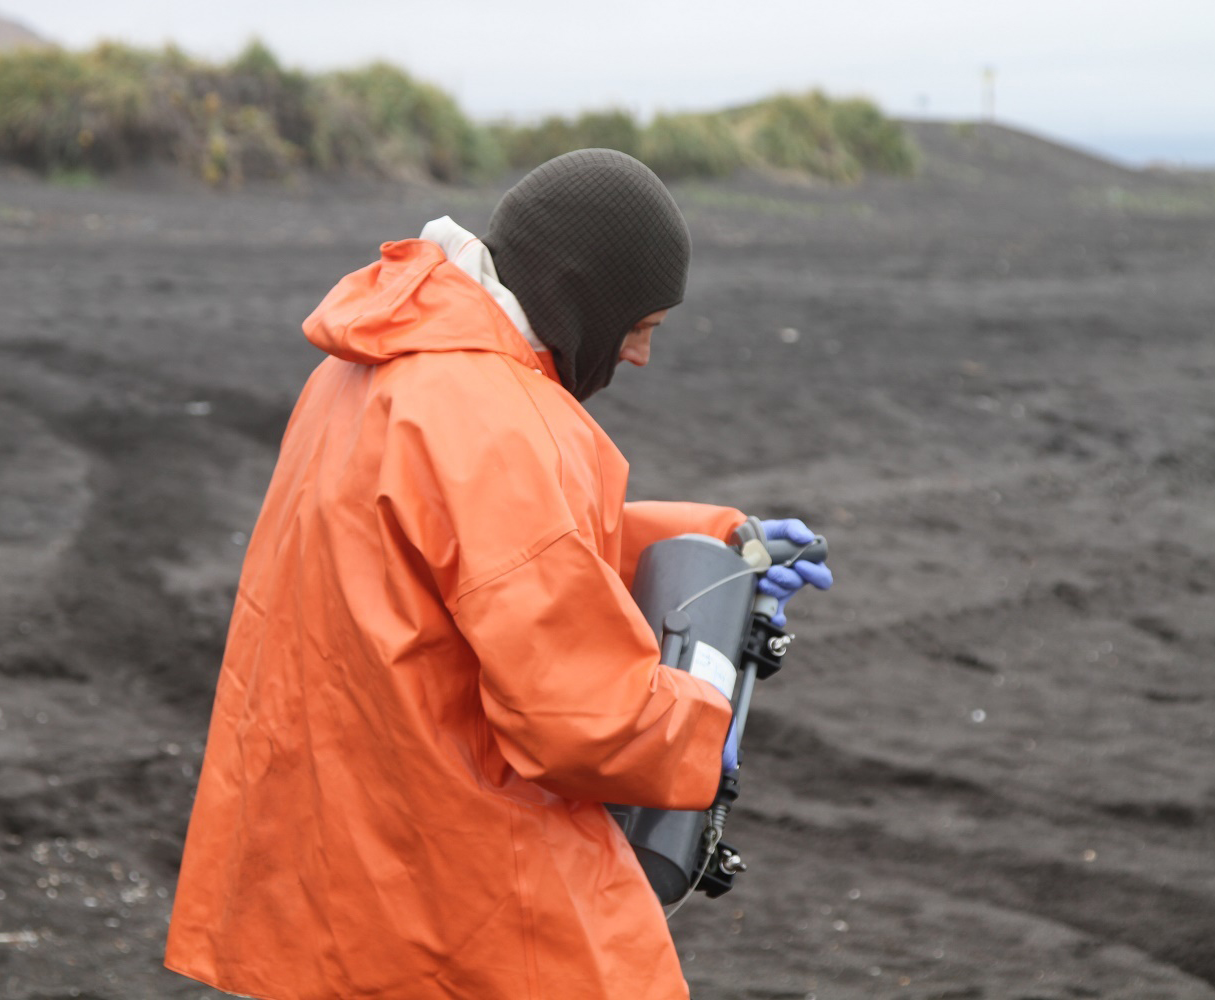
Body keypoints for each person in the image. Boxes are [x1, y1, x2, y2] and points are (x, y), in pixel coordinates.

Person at [165, 149, 832, 1000]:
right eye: (641, 325)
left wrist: (719, 545)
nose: (638, 355)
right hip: (445, 882)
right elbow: (582, 719)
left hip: (327, 850)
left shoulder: (372, 363)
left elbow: (461, 551)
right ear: (581, 297)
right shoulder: (495, 416)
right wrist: (707, 715)